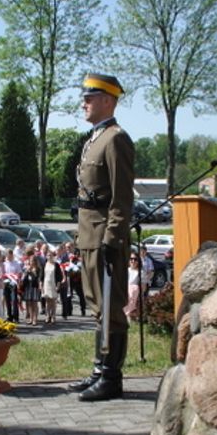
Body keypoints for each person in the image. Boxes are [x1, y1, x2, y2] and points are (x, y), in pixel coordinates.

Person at [68, 73, 135, 402]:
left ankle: (111, 377)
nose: (84, 102)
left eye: (90, 97)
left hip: (105, 238)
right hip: (88, 235)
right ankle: (99, 368)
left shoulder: (116, 139)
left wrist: (113, 237)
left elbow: (122, 198)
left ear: (108, 100)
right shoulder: (95, 138)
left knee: (110, 308)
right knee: (97, 307)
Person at [41, 245, 63, 324]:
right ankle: (48, 315)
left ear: (53, 256)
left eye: (50, 255)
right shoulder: (44, 264)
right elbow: (42, 276)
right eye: (48, 255)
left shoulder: (56, 265)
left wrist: (58, 286)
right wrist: (41, 285)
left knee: (53, 301)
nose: (49, 257)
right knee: (47, 301)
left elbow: (59, 277)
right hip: (46, 284)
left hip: (53, 284)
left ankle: (53, 316)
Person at [20, 254, 42, 326]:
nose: (31, 262)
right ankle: (31, 318)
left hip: (34, 288)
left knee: (34, 304)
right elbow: (23, 278)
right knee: (29, 304)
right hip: (28, 287)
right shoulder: (26, 268)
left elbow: (37, 278)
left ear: (35, 261)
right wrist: (27, 271)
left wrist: (31, 271)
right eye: (30, 261)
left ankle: (35, 319)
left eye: (32, 261)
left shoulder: (38, 269)